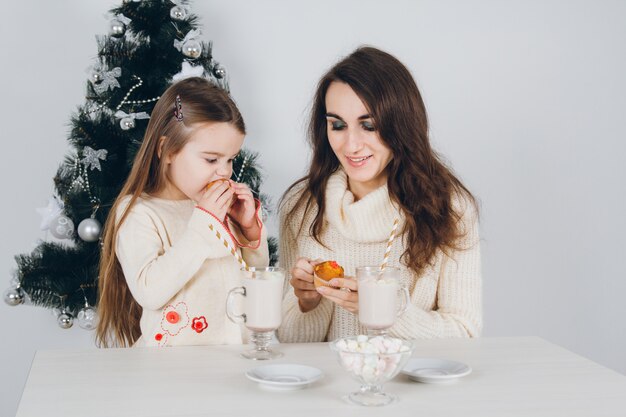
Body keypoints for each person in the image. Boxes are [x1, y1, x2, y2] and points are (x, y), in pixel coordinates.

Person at [276, 47, 481, 343]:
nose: (351, 145)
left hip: (411, 387)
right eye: (337, 125)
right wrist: (308, 302)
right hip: (330, 387)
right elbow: (292, 342)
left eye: (369, 126)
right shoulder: (303, 206)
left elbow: (464, 335)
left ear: (401, 124)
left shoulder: (450, 208)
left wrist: (386, 310)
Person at [96, 77, 268, 348]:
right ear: (167, 151)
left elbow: (257, 278)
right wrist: (205, 223)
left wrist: (248, 230)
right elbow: (150, 292)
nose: (224, 172)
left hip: (231, 361)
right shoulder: (140, 213)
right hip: (171, 372)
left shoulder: (215, 209)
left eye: (230, 159)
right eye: (211, 159)